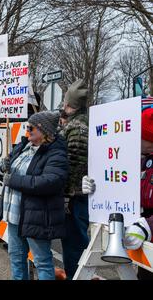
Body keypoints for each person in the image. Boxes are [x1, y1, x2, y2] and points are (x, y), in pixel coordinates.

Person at [0, 111, 69, 280]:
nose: (27, 131)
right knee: (16, 257)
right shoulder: (22, 147)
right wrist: (1, 167)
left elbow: (49, 182)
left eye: (31, 127)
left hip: (37, 216)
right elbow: (1, 173)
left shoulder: (56, 153)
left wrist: (12, 179)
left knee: (42, 261)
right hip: (14, 216)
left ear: (45, 131)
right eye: (26, 127)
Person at [84, 105, 153, 280]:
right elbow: (122, 188)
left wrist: (148, 226)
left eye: (139, 134)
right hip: (144, 240)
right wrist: (95, 187)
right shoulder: (140, 161)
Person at [59, 79, 90, 280]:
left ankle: (76, 277)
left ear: (74, 105)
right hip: (76, 194)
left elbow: (73, 164)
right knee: (73, 241)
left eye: (67, 104)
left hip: (75, 196)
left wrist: (66, 196)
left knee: (74, 243)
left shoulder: (77, 127)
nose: (64, 107)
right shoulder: (77, 123)